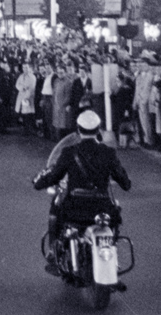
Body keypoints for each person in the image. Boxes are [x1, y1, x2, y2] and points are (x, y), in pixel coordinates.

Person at [32, 110, 132, 274]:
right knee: (115, 216)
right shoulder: (108, 152)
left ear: (78, 129)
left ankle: (53, 251)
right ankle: (111, 251)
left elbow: (54, 176)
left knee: (55, 210)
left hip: (75, 208)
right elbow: (124, 182)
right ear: (98, 129)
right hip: (102, 208)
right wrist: (125, 181)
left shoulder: (69, 152)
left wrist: (39, 183)